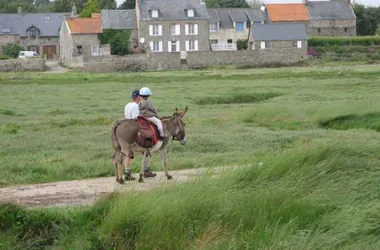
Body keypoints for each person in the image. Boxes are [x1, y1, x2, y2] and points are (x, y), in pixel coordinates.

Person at [123, 89, 141, 180]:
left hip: (125, 126)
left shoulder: (127, 105)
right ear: (138, 97)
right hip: (132, 128)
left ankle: (127, 172)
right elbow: (135, 119)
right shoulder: (136, 106)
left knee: (126, 152)